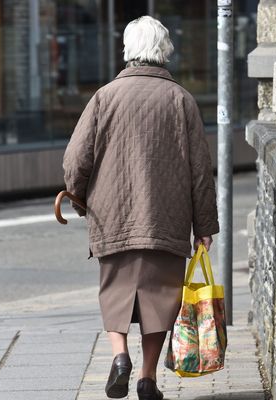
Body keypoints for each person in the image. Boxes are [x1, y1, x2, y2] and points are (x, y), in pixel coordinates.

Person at [63, 15, 219, 400]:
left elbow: (74, 160)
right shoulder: (181, 99)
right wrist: (205, 224)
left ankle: (120, 357)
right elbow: (200, 169)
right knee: (160, 298)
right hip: (166, 218)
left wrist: (79, 197)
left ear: (129, 50)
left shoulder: (104, 97)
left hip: (112, 215)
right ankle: (147, 379)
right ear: (164, 50)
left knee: (114, 290)